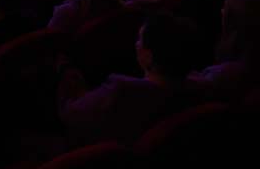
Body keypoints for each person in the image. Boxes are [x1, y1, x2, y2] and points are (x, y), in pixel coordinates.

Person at [57, 13, 202, 146]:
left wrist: (66, 74)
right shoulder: (201, 88)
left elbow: (71, 115)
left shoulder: (120, 92)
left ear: (149, 57)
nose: (136, 44)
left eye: (140, 39)